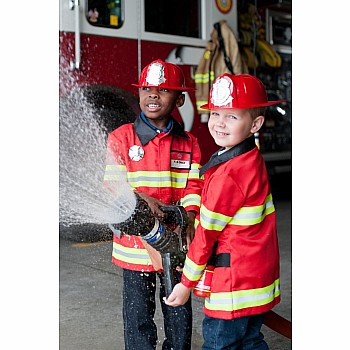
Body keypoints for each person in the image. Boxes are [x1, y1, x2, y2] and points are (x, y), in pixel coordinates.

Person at [164, 73, 284, 350]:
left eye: (232, 116)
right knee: (250, 340)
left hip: (233, 283)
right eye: (216, 112)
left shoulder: (229, 174)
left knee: (220, 344)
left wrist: (185, 284)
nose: (219, 122)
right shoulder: (247, 157)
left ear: (255, 124)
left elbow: (206, 234)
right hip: (256, 277)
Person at [103, 59, 203, 350]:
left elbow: (193, 186)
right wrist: (138, 198)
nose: (153, 95)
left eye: (163, 90)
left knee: (178, 312)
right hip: (134, 251)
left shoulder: (189, 143)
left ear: (180, 99)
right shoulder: (121, 138)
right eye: (146, 88)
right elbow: (112, 186)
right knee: (138, 319)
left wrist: (190, 218)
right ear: (138, 94)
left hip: (174, 246)